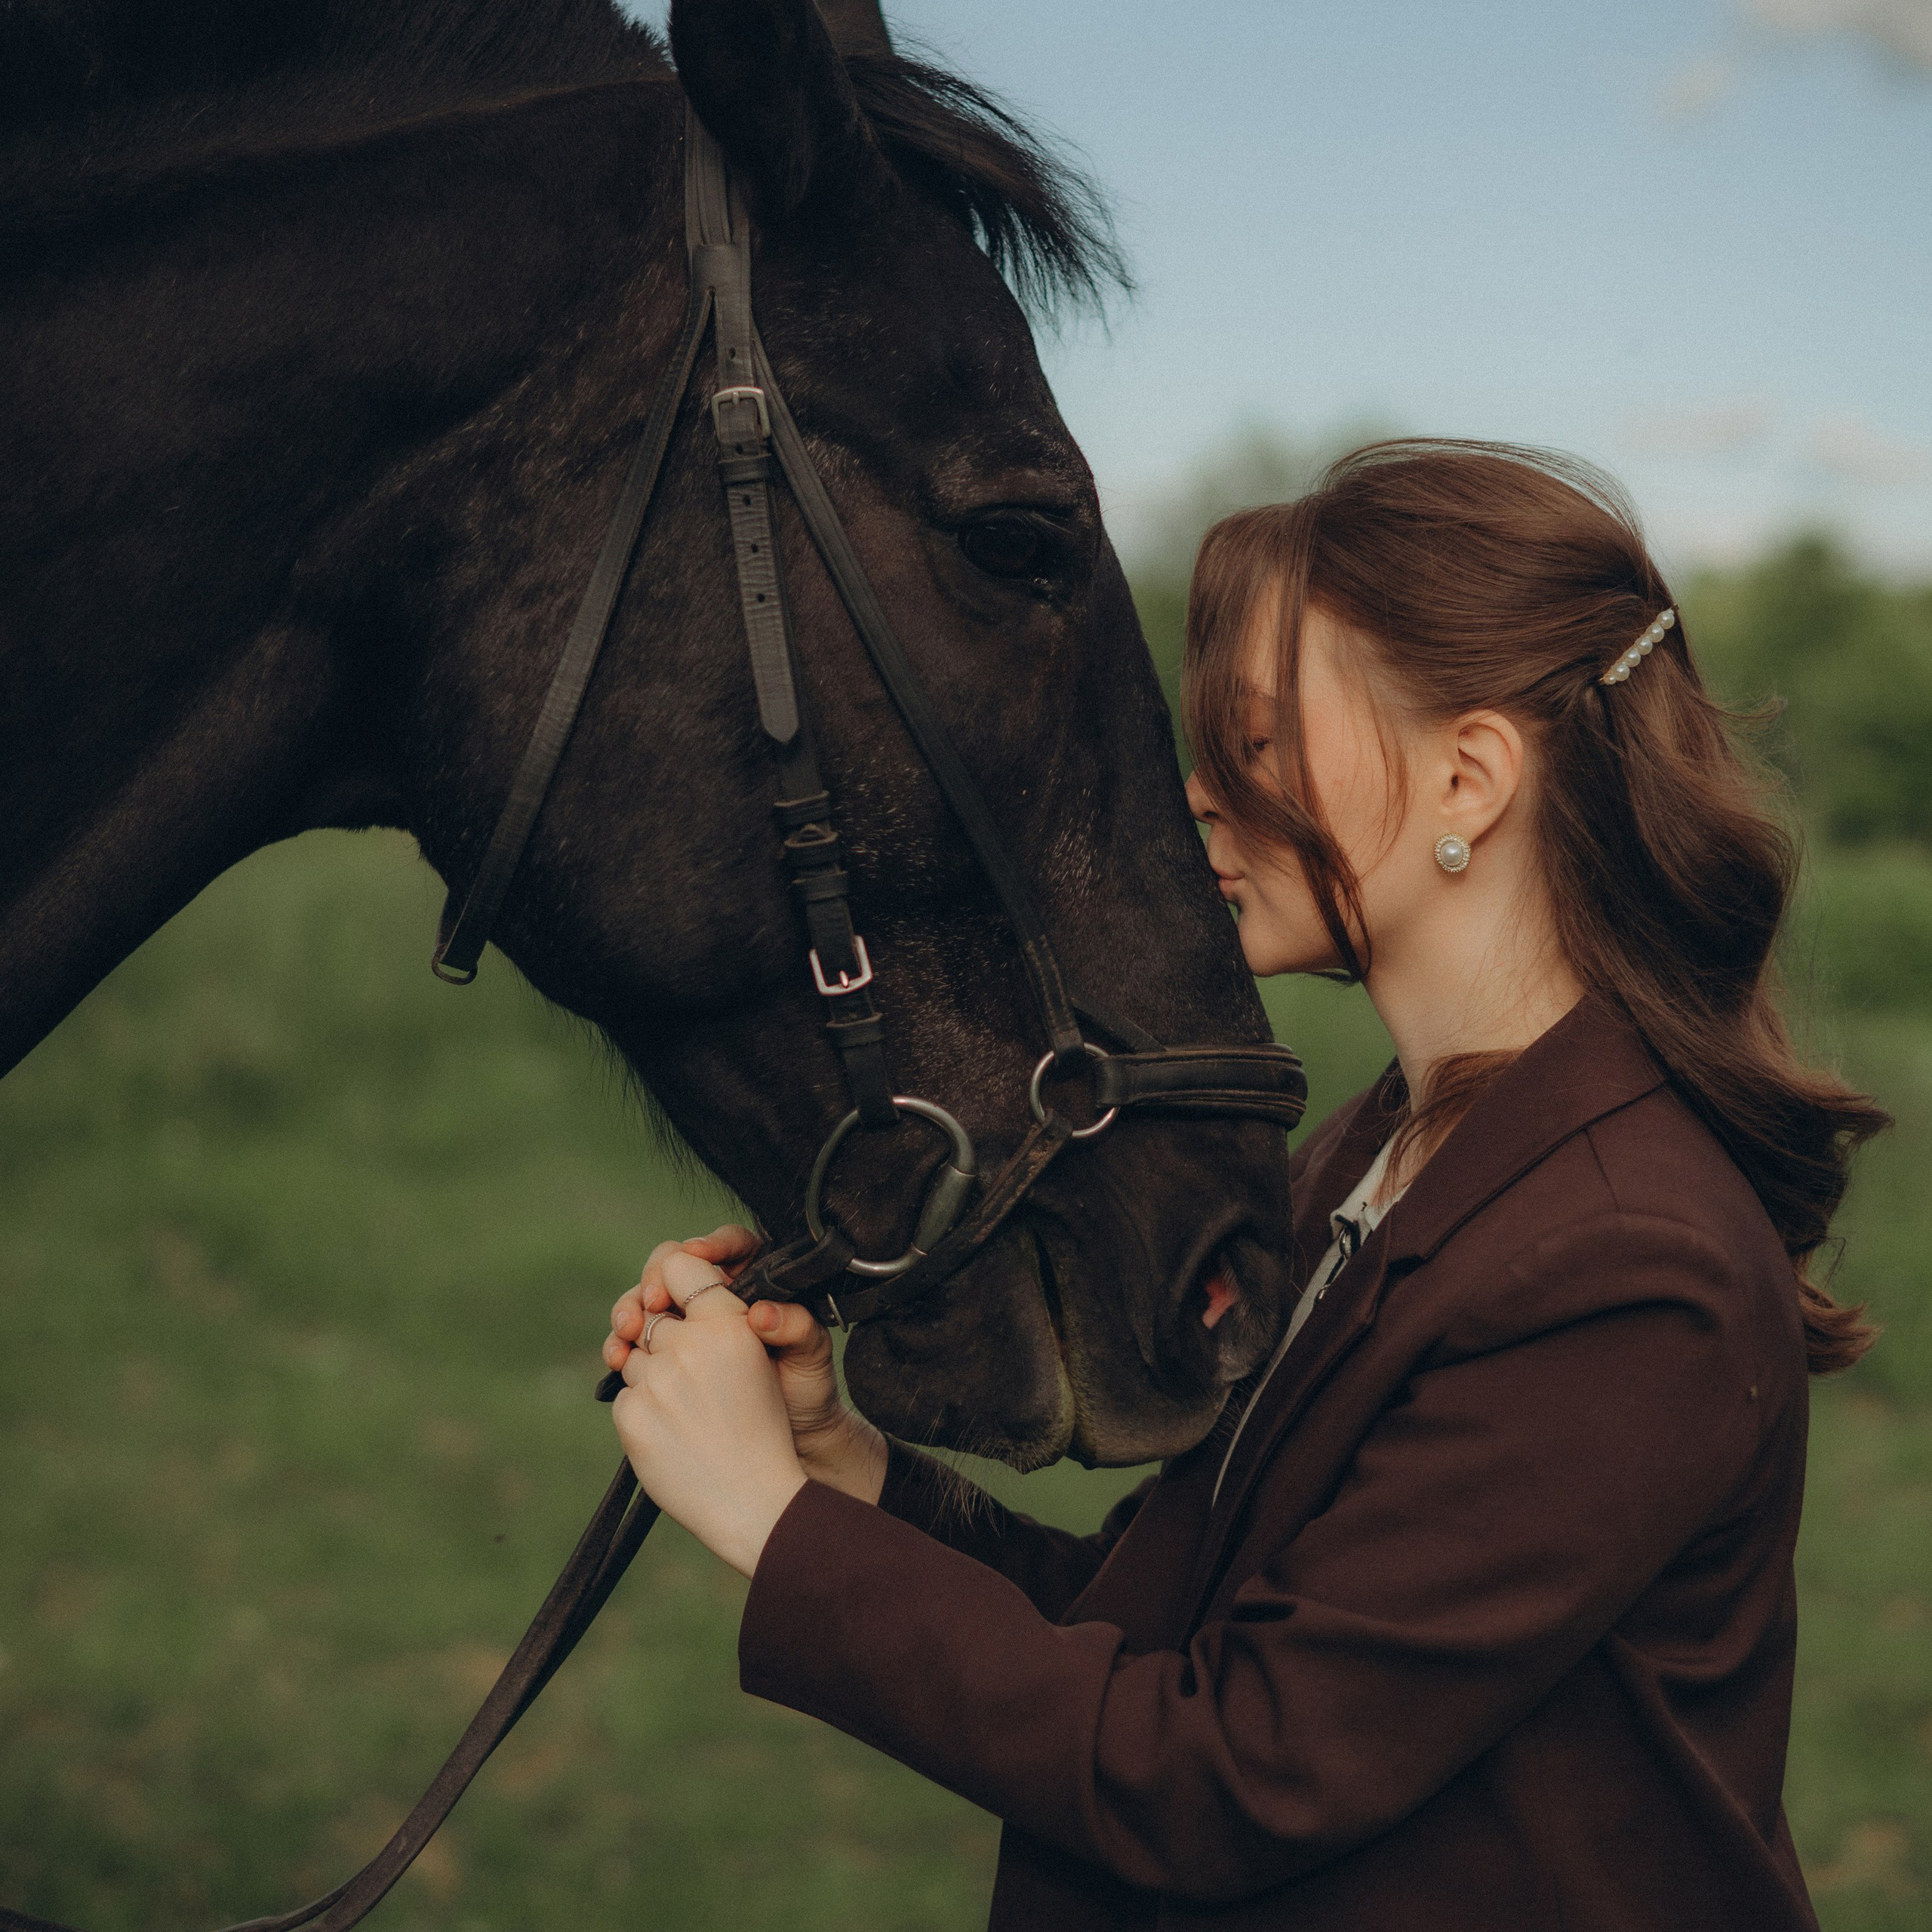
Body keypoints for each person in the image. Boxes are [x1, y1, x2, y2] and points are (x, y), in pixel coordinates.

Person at [599, 441, 1885, 1930]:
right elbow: (1185, 1628)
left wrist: (772, 1521)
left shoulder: (1620, 1254)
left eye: (1261, 742)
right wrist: (844, 1472)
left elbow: (1227, 1769)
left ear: (1468, 774)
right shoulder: (1390, 1145)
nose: (1202, 795)